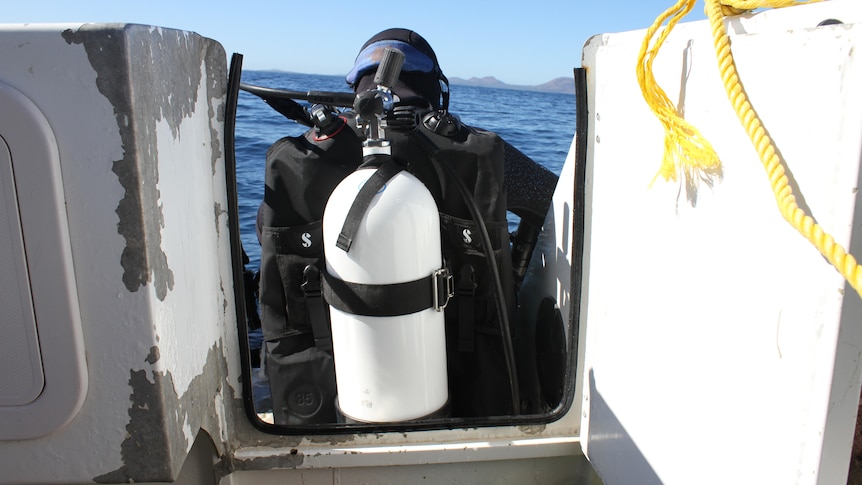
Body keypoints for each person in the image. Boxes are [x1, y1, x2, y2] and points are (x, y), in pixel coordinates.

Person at [256, 28, 558, 425]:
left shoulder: (299, 160)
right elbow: (554, 201)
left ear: (355, 85)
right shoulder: (478, 155)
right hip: (470, 401)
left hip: (324, 405)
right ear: (436, 91)